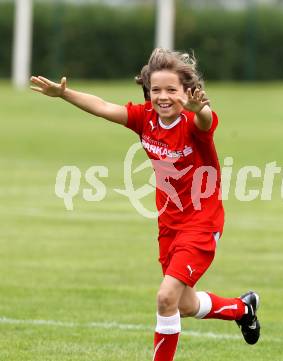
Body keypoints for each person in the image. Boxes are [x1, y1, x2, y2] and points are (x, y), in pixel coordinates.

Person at [30, 48, 260, 361]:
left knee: (166, 297)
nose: (163, 97)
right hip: (169, 225)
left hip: (201, 223)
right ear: (146, 90)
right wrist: (65, 94)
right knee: (184, 304)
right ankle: (242, 309)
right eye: (156, 90)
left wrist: (200, 109)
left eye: (171, 90)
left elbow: (206, 121)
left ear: (186, 92)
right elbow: (102, 107)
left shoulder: (194, 121)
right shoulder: (145, 119)